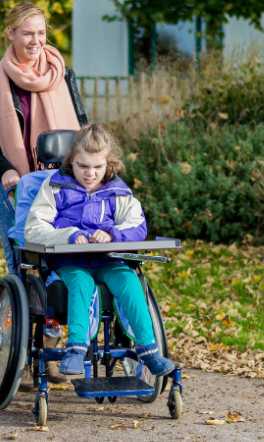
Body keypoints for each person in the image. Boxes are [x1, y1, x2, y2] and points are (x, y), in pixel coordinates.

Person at [0, 2, 87, 386]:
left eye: (40, 33)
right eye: (27, 33)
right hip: (15, 190)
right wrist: (5, 169)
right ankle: (20, 360)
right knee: (21, 270)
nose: (35, 40)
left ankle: (53, 355)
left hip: (62, 189)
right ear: (11, 34)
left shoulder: (63, 74)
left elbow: (82, 130)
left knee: (60, 268)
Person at [24, 124, 177, 377]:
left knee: (129, 280)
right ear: (71, 160)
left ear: (109, 163)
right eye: (82, 166)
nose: (90, 174)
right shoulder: (54, 187)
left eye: (98, 166)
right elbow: (34, 228)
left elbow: (137, 225)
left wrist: (113, 234)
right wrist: (69, 234)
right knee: (81, 283)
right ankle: (75, 350)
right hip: (69, 263)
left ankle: (149, 352)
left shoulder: (117, 190)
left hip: (108, 260)